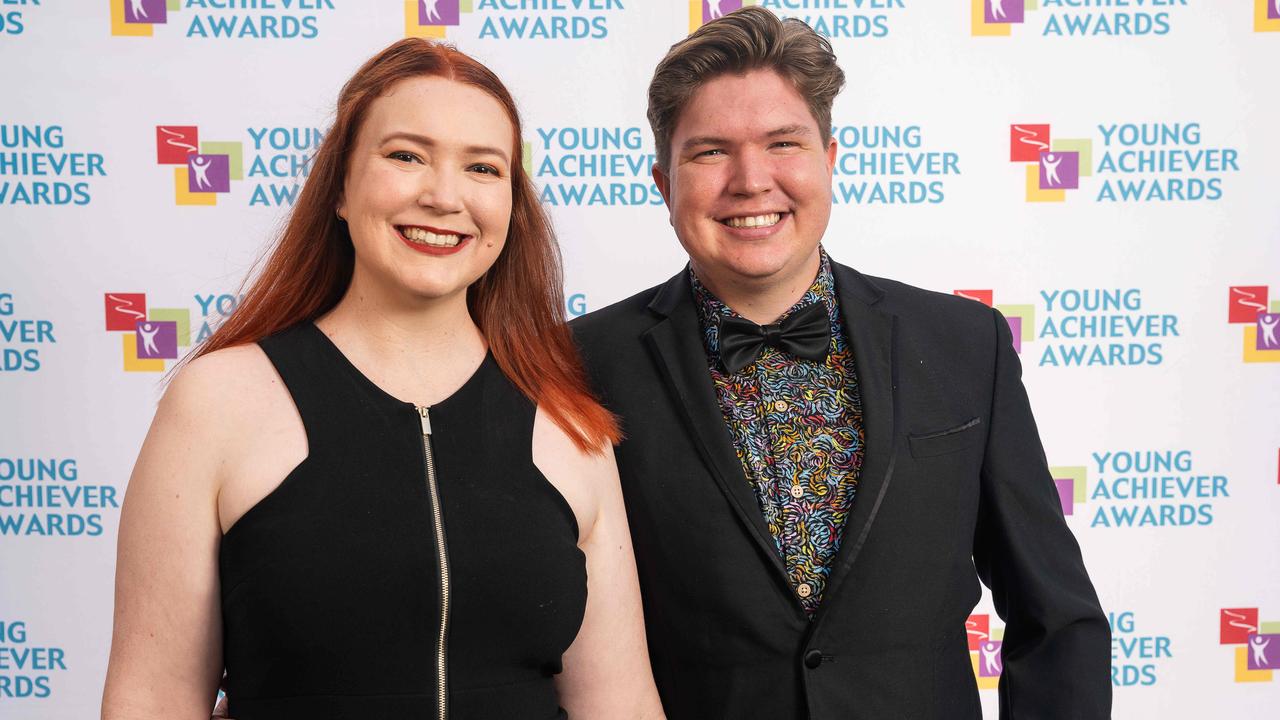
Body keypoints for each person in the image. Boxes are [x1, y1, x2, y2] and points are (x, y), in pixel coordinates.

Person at [101, 38, 664, 720]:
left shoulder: (569, 424)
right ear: (340, 186)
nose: (444, 196)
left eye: (483, 168)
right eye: (405, 155)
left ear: (512, 208)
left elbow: (623, 705)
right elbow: (151, 699)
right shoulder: (219, 401)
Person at [571, 8, 1111, 718]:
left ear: (829, 159)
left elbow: (1058, 618)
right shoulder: (576, 363)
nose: (750, 179)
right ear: (662, 182)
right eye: (709, 152)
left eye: (783, 143)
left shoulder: (963, 343)